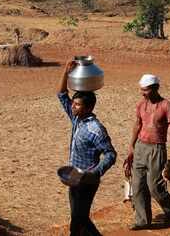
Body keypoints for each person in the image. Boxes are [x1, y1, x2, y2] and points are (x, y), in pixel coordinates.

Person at [57, 60, 117, 236]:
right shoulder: (77, 119)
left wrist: (96, 173)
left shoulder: (95, 129)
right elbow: (61, 94)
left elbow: (110, 154)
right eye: (73, 104)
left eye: (77, 104)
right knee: (77, 217)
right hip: (74, 175)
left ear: (89, 107)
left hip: (88, 178)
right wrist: (65, 72)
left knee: (79, 218)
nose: (73, 107)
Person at [127, 74, 170, 230]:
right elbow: (137, 125)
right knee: (137, 186)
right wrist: (131, 146)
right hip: (140, 147)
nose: (142, 93)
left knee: (155, 187)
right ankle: (142, 221)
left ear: (155, 88)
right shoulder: (140, 105)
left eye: (145, 90)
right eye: (141, 89)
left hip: (157, 149)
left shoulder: (166, 106)